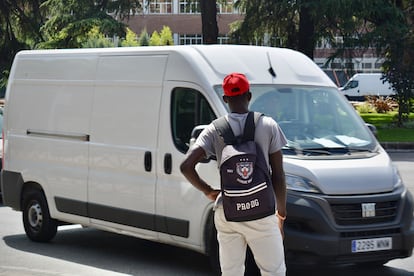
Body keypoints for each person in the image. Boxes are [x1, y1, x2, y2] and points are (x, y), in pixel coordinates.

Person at [180, 72, 287, 276]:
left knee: (231, 272)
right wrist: (280, 214)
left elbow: (186, 166)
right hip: (262, 211)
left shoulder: (214, 129)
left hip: (228, 209)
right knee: (273, 271)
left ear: (225, 99)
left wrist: (209, 191)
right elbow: (279, 176)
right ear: (249, 96)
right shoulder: (268, 125)